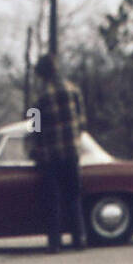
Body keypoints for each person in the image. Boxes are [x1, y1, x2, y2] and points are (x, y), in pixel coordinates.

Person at [28, 52, 87, 253]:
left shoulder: (39, 97)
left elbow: (34, 127)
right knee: (73, 196)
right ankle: (79, 238)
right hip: (72, 151)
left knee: (52, 200)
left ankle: (55, 243)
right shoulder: (74, 90)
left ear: (42, 74)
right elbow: (82, 122)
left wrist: (35, 149)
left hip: (49, 155)